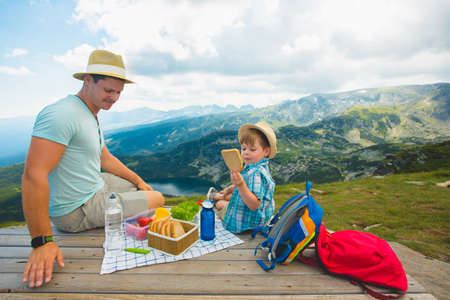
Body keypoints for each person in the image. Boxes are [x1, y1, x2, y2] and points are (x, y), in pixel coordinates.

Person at [21, 50, 165, 288]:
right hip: (77, 209)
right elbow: (33, 175)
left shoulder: (88, 112)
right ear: (88, 81)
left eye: (119, 92)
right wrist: (42, 242)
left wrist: (139, 181)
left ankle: (131, 199)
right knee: (157, 198)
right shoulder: (62, 114)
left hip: (95, 185)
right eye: (109, 91)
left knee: (136, 188)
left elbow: (104, 159)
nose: (114, 98)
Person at [215, 121, 276, 233]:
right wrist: (230, 188)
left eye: (252, 149)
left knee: (219, 204)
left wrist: (240, 184)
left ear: (266, 151)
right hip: (262, 213)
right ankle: (221, 195)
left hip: (251, 221)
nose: (246, 153)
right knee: (228, 195)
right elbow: (248, 185)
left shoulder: (256, 174)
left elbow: (254, 205)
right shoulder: (255, 166)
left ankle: (215, 198)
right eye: (243, 149)